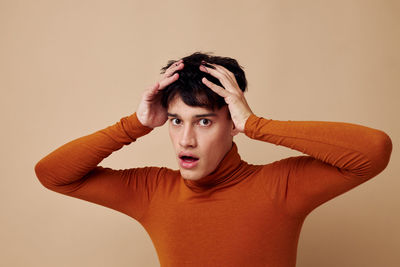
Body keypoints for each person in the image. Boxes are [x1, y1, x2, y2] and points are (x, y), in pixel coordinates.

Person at [34, 51, 392, 267]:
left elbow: (373, 151)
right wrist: (134, 125)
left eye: (203, 121)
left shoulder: (279, 187)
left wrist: (257, 125)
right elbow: (53, 174)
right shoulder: (153, 190)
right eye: (176, 121)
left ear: (231, 123)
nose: (185, 140)